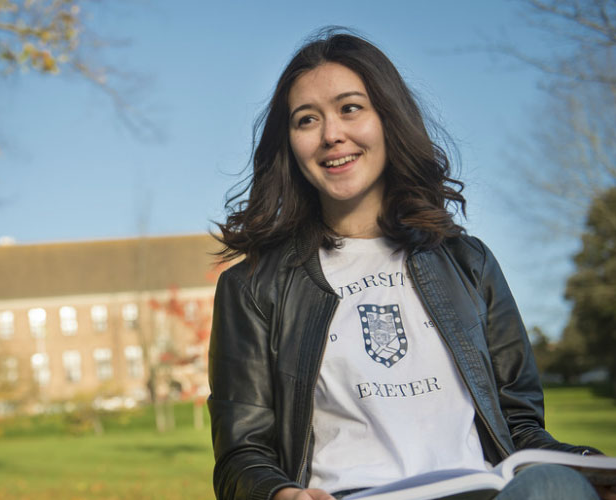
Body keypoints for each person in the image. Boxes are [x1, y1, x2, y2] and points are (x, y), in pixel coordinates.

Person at [208, 29, 614, 500]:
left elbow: (519, 428)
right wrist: (280, 494)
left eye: (350, 108)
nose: (332, 134)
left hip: (485, 492)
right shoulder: (254, 287)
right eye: (306, 120)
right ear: (291, 145)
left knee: (554, 487)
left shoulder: (469, 263)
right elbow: (242, 454)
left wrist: (586, 466)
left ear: (388, 119)